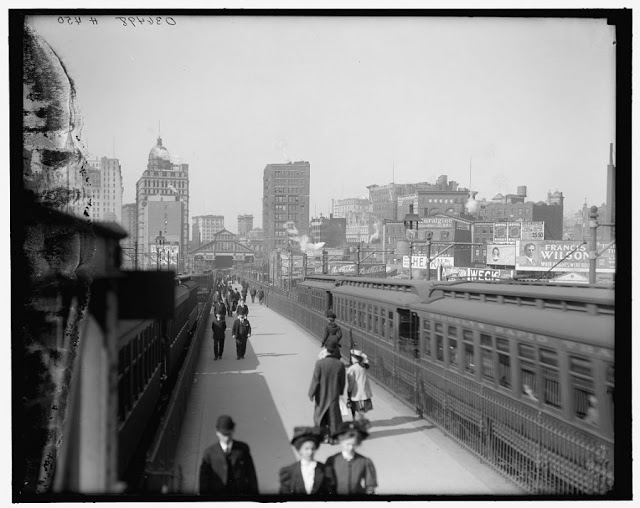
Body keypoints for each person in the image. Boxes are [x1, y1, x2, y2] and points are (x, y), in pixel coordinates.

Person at [199, 415, 259, 496]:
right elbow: (203, 482)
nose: (226, 438)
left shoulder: (243, 449)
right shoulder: (209, 453)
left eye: (228, 434)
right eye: (224, 435)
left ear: (233, 431)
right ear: (217, 432)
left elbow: (251, 476)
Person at [279, 427, 336, 495]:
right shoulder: (289, 471)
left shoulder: (325, 469)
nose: (310, 452)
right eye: (306, 449)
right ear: (299, 450)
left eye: (313, 448)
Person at [308, 339, 346, 443]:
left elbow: (315, 379)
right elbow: (342, 381)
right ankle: (333, 437)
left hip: (321, 394)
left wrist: (311, 393)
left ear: (326, 350)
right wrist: (341, 391)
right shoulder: (340, 364)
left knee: (320, 414)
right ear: (335, 350)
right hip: (334, 393)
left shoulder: (319, 363)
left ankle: (323, 435)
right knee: (333, 415)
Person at [325, 421, 377, 495]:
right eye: (348, 444)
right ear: (341, 442)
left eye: (354, 444)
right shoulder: (332, 460)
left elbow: (370, 485)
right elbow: (328, 483)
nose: (351, 447)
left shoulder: (364, 461)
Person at [347, 350, 373, 422]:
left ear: (355, 358)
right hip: (364, 391)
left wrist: (348, 391)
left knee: (354, 408)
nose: (351, 359)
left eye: (352, 357)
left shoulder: (352, 368)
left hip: (356, 392)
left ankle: (356, 421)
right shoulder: (363, 367)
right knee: (361, 409)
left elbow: (351, 382)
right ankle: (360, 420)